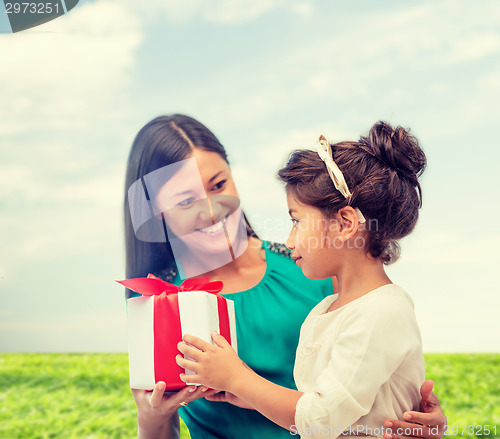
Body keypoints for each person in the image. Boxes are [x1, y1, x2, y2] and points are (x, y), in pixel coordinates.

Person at [124, 115, 447, 439]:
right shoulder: (162, 305)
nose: (211, 210)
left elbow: (372, 378)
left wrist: (419, 418)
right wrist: (150, 420)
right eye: (185, 200)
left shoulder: (313, 267)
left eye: (219, 184)